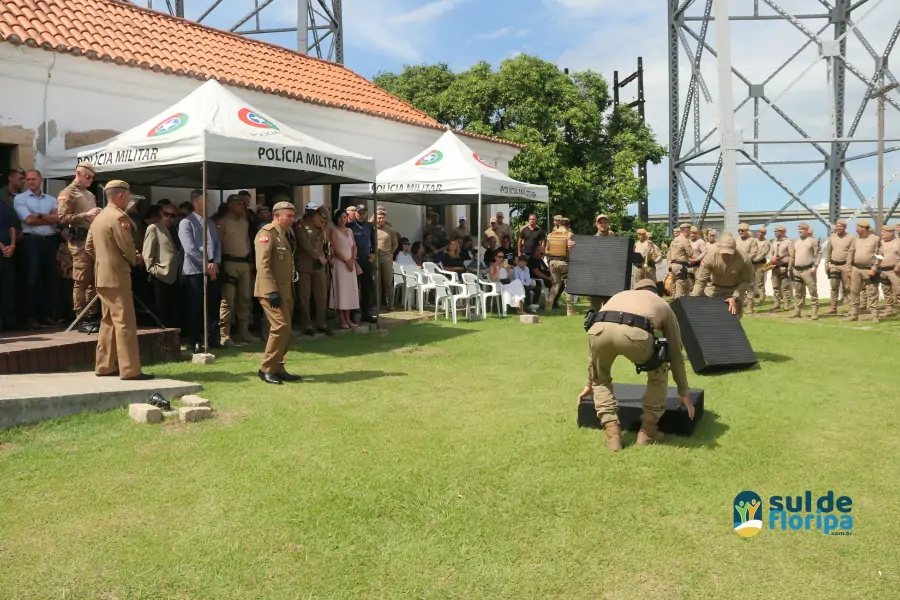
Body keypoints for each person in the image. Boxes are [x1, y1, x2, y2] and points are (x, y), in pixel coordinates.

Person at [576, 279, 694, 452]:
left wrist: (589, 383)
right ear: (655, 292)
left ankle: (612, 433)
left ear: (635, 289)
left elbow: (593, 358)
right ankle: (648, 431)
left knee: (599, 379)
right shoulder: (661, 303)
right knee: (659, 371)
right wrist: (683, 391)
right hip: (635, 333)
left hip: (599, 328)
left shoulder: (619, 296)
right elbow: (675, 353)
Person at [84, 181, 152, 381]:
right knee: (125, 323)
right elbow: (127, 246)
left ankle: (104, 365)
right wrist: (135, 258)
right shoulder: (119, 217)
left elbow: (88, 247)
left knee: (108, 322)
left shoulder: (98, 218)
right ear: (121, 196)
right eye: (129, 196)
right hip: (117, 276)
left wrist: (104, 260)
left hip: (102, 276)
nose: (130, 200)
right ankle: (130, 370)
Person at [254, 201, 301, 385]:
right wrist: (272, 290)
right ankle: (266, 368)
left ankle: (278, 367)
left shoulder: (285, 234)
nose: (292, 219)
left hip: (285, 290)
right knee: (280, 327)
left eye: (292, 215)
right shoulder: (267, 234)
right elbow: (262, 264)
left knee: (286, 330)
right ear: (276, 216)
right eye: (288, 215)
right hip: (270, 290)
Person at [14, 169, 59, 328]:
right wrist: (47, 217)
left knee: (49, 279)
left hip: (49, 241)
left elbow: (57, 218)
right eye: (28, 179)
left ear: (40, 180)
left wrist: (38, 215)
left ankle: (46, 315)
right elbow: (28, 219)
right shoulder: (20, 198)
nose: (30, 182)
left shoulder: (52, 199)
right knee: (31, 279)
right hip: (31, 241)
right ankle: (31, 316)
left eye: (33, 179)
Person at [57, 162, 101, 325]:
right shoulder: (67, 193)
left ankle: (92, 314)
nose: (90, 180)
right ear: (78, 174)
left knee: (93, 280)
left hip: (91, 240)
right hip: (79, 241)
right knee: (81, 279)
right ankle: (81, 317)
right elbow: (62, 218)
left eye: (92, 178)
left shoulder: (89, 195)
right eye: (88, 177)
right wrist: (85, 214)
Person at [178, 190, 220, 354]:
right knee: (195, 307)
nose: (208, 205)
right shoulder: (186, 223)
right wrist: (206, 266)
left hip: (212, 269)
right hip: (195, 271)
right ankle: (194, 340)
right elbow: (190, 249)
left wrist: (215, 263)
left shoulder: (210, 222)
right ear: (196, 203)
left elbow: (217, 244)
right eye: (205, 201)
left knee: (212, 305)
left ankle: (211, 338)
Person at [217, 194, 257, 346]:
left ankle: (244, 332)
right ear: (230, 205)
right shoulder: (222, 222)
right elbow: (217, 244)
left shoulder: (244, 222)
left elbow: (247, 242)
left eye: (242, 204)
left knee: (245, 299)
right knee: (227, 300)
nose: (242, 206)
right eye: (238, 204)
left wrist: (251, 259)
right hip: (229, 262)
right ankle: (224, 335)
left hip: (244, 263)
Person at [691, 235, 754, 317]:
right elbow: (701, 280)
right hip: (713, 288)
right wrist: (694, 297)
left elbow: (747, 281)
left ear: (735, 249)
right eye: (724, 252)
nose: (726, 255)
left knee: (733, 319)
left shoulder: (744, 259)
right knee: (709, 318)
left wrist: (735, 297)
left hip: (734, 290)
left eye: (729, 253)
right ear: (719, 247)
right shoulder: (710, 257)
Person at [142, 203, 181, 328]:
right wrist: (153, 270)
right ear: (161, 214)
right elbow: (147, 253)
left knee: (173, 309)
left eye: (172, 215)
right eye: (166, 214)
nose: (169, 218)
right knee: (160, 310)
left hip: (175, 275)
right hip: (160, 275)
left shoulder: (174, 230)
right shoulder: (154, 228)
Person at [295, 205, 330, 336]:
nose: (322, 223)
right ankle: (307, 324)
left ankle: (322, 322)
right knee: (305, 295)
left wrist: (326, 256)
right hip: (305, 265)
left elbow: (325, 244)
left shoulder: (322, 228)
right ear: (315, 216)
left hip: (319, 266)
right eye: (321, 220)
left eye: (324, 221)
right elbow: (305, 244)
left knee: (321, 295)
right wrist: (318, 257)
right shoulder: (301, 225)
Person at [844, 219, 882, 322]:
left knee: (872, 292)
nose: (856, 229)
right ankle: (854, 314)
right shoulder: (855, 239)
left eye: (858, 227)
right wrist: (848, 268)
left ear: (864, 228)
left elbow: (880, 255)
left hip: (869, 270)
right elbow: (850, 253)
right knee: (854, 292)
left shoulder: (875, 239)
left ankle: (874, 315)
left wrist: (874, 268)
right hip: (856, 269)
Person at [330, 208, 361, 330]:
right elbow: (336, 249)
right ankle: (341, 319)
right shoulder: (334, 231)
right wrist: (346, 260)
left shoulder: (349, 231)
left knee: (349, 292)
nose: (342, 220)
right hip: (340, 264)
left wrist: (353, 259)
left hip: (350, 264)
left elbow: (354, 246)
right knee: (341, 291)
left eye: (344, 217)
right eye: (340, 217)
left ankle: (348, 318)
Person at [347, 205, 376, 323]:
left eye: (363, 212)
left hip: (366, 260)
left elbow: (374, 241)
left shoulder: (369, 227)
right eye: (359, 212)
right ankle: (352, 314)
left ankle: (366, 312)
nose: (361, 214)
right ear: (355, 213)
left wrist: (373, 253)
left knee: (367, 287)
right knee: (354, 287)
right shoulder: (350, 226)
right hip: (354, 260)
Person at [789, 222, 822, 320]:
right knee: (798, 292)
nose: (800, 230)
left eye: (802, 228)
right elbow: (792, 256)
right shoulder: (796, 242)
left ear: (807, 230)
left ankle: (814, 313)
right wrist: (789, 268)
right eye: (799, 228)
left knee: (812, 291)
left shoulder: (812, 241)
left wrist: (815, 266)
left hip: (808, 270)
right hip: (796, 270)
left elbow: (818, 254)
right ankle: (797, 312)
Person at [545, 217, 575, 315]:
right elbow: (571, 250)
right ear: (568, 226)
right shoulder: (569, 235)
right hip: (564, 263)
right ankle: (569, 310)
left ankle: (548, 306)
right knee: (568, 285)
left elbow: (546, 250)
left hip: (552, 263)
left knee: (555, 284)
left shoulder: (550, 235)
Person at [824, 219, 853, 316]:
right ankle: (833, 308)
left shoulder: (851, 238)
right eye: (837, 226)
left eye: (841, 226)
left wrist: (849, 266)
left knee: (848, 288)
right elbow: (828, 251)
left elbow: (852, 253)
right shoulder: (832, 237)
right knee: (834, 287)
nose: (838, 228)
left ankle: (851, 309)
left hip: (845, 265)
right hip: (834, 265)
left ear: (845, 227)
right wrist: (826, 264)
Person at [489, 249, 527, 313]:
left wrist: (508, 271)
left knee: (518, 282)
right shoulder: (493, 266)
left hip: (506, 283)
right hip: (498, 284)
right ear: (495, 257)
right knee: (515, 286)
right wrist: (499, 268)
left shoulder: (505, 265)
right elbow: (494, 279)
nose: (501, 259)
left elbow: (510, 279)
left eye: (503, 257)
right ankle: (519, 308)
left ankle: (519, 306)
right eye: (499, 257)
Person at [0, 194, 17, 330]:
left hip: (7, 253)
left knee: (7, 287)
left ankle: (8, 322)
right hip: (3, 249)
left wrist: (12, 245)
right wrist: (2, 246)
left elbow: (12, 226)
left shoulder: (4, 205)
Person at [375, 209, 397, 311]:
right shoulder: (372, 229)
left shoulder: (390, 230)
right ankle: (377, 305)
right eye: (379, 217)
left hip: (387, 257)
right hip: (376, 257)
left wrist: (390, 253)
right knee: (377, 282)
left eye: (382, 218)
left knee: (388, 282)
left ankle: (390, 304)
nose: (381, 219)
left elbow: (395, 243)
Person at [768, 225, 794, 312]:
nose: (775, 232)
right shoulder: (774, 242)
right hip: (775, 267)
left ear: (783, 232)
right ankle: (777, 303)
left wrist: (790, 268)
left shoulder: (788, 242)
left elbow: (792, 256)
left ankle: (786, 304)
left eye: (777, 231)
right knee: (775, 286)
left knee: (785, 287)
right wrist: (772, 258)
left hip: (784, 266)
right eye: (775, 230)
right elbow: (770, 253)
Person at [735, 223, 759, 313]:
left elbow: (754, 253)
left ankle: (750, 308)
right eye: (739, 231)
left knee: (749, 288)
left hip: (748, 267)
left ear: (747, 231)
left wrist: (744, 259)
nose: (740, 232)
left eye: (742, 231)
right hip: (737, 268)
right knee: (738, 288)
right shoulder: (736, 240)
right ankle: (739, 307)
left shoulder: (752, 240)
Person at [877, 223, 899, 318]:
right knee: (886, 290)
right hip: (883, 270)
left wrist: (898, 266)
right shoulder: (880, 243)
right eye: (881, 232)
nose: (882, 234)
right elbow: (878, 255)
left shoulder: (898, 242)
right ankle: (889, 309)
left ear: (891, 232)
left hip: (894, 271)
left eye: (884, 232)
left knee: (898, 290)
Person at [667, 222, 693, 299]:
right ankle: (678, 305)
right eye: (689, 231)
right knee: (680, 287)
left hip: (674, 265)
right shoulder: (685, 240)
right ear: (686, 230)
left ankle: (685, 302)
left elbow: (670, 252)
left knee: (686, 286)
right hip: (681, 266)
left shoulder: (674, 240)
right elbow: (690, 253)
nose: (690, 232)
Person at [751, 226, 770, 310]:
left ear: (764, 234)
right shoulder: (754, 241)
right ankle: (750, 299)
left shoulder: (766, 243)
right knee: (750, 281)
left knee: (760, 282)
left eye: (762, 232)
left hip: (759, 264)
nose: (760, 234)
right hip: (752, 263)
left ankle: (762, 298)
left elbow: (763, 253)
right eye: (759, 232)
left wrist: (755, 259)